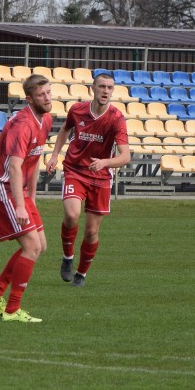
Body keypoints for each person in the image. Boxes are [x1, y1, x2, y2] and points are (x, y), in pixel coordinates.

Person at [46, 73, 130, 288]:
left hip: (101, 177)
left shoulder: (116, 118)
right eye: (102, 86)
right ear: (93, 88)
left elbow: (125, 156)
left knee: (92, 231)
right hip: (75, 169)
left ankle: (81, 274)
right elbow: (65, 129)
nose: (106, 91)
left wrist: (105, 163)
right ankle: (67, 258)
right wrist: (55, 155)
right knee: (72, 214)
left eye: (110, 88)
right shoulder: (77, 110)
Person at [0, 74, 53, 323]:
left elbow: (35, 160)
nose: (47, 98)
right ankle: (12, 310)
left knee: (39, 246)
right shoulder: (22, 124)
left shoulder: (46, 120)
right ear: (29, 98)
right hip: (3, 188)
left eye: (49, 93)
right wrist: (20, 205)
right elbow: (14, 167)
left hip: (20, 191)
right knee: (31, 247)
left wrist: (31, 197)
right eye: (42, 95)